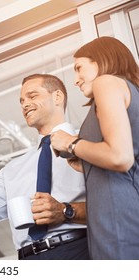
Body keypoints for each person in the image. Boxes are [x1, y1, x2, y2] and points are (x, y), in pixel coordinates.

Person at [0, 74, 89, 259]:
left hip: (79, 250)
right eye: (22, 101)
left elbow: (118, 202)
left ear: (57, 97)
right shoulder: (13, 169)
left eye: (32, 96)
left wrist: (66, 211)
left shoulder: (88, 144)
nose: (25, 104)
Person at [50, 36, 139, 259]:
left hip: (118, 219)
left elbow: (120, 157)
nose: (76, 80)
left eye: (79, 68)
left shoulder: (106, 82)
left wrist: (70, 142)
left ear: (101, 61)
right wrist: (84, 159)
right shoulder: (130, 90)